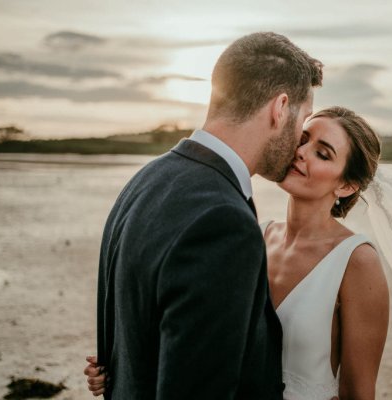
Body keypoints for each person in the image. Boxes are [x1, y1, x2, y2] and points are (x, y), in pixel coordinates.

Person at [86, 106, 390, 399]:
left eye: (322, 154)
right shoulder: (253, 234)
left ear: (347, 186)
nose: (301, 152)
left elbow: (359, 394)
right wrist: (120, 367)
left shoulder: (357, 261)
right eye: (302, 139)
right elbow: (197, 339)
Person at [88, 31, 323, 399]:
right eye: (302, 119)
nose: (300, 141)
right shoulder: (224, 224)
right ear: (280, 109)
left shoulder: (145, 181)